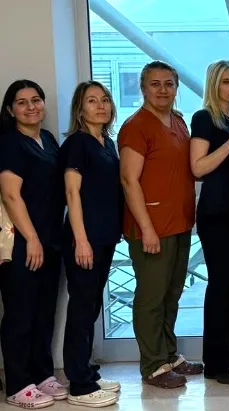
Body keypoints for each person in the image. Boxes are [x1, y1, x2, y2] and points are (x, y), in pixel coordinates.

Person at [118, 61, 203, 389]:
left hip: (179, 224)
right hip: (151, 228)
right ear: (143, 88)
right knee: (151, 299)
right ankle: (153, 365)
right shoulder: (136, 127)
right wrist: (147, 229)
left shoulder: (178, 122)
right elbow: (129, 180)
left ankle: (169, 355)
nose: (163, 90)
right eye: (155, 84)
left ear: (176, 88)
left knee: (171, 295)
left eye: (169, 84)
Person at [0, 80, 66, 408]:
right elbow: (11, 196)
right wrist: (32, 239)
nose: (31, 107)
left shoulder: (48, 140)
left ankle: (42, 375)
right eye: (22, 102)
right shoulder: (10, 143)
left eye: (36, 100)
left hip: (51, 240)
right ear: (10, 110)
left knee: (44, 313)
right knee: (20, 314)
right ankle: (17, 383)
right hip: (24, 242)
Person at [189, 60, 229, 384]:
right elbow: (198, 168)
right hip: (215, 214)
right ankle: (216, 360)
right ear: (214, 85)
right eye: (227, 81)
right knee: (220, 284)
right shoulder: (204, 118)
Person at [59, 81, 123, 407]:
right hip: (84, 239)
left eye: (105, 100)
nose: (100, 106)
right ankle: (79, 386)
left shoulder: (107, 143)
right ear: (80, 109)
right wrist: (81, 240)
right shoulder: (77, 144)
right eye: (92, 101)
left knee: (92, 305)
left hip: (105, 237)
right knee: (82, 309)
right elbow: (72, 194)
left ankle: (87, 372)